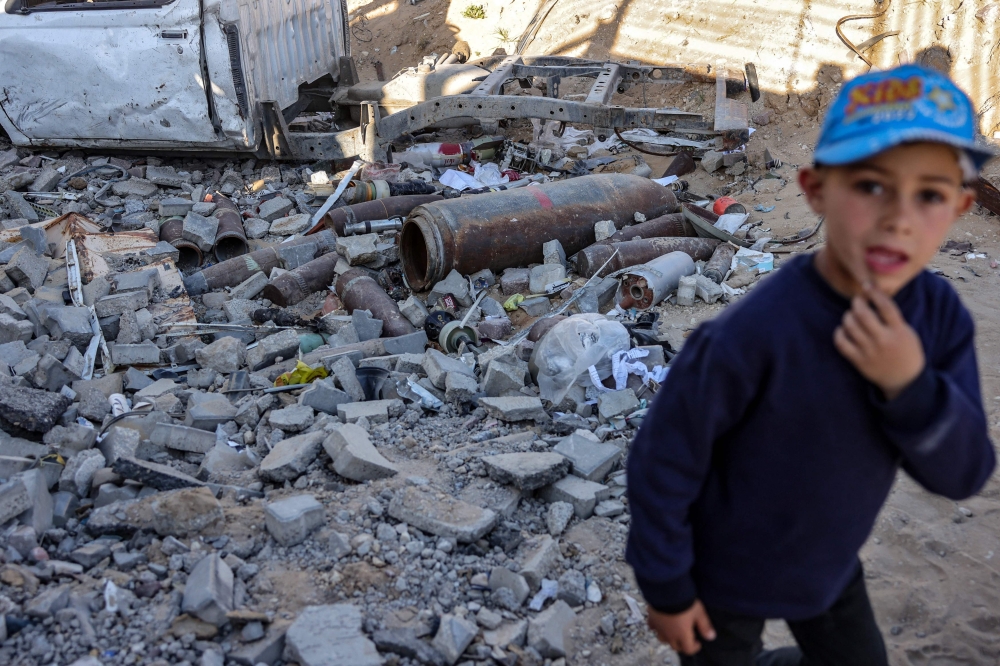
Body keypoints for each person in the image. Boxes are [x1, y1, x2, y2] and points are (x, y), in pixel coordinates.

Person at [625, 63, 998, 666]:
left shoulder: (938, 321)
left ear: (959, 206)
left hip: (828, 566)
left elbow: (962, 474)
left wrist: (909, 385)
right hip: (723, 570)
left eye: (928, 194)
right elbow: (662, 461)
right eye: (871, 185)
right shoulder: (751, 333)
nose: (899, 217)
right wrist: (667, 589)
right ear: (818, 189)